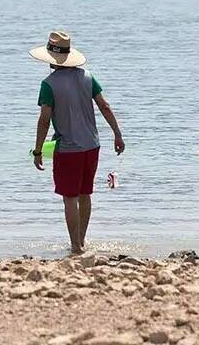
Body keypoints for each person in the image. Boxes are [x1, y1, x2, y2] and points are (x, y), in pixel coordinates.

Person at [31, 30, 125, 254]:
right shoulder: (88, 77)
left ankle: (75, 246)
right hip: (92, 145)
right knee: (85, 194)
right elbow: (105, 106)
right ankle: (81, 240)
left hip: (68, 148)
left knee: (70, 198)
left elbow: (44, 120)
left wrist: (37, 151)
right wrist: (117, 134)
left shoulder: (49, 84)